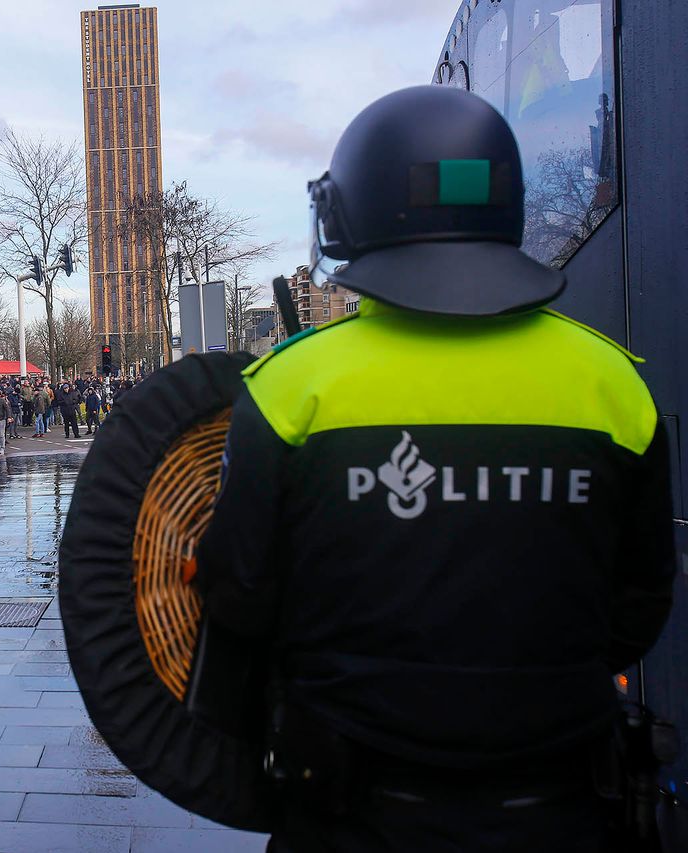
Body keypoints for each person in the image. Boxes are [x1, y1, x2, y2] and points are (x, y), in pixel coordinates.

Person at [195, 87, 674, 853]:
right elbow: (641, 601)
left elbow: (238, 595)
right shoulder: (613, 383)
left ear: (351, 215)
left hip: (349, 815)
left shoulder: (292, 387)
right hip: (562, 810)